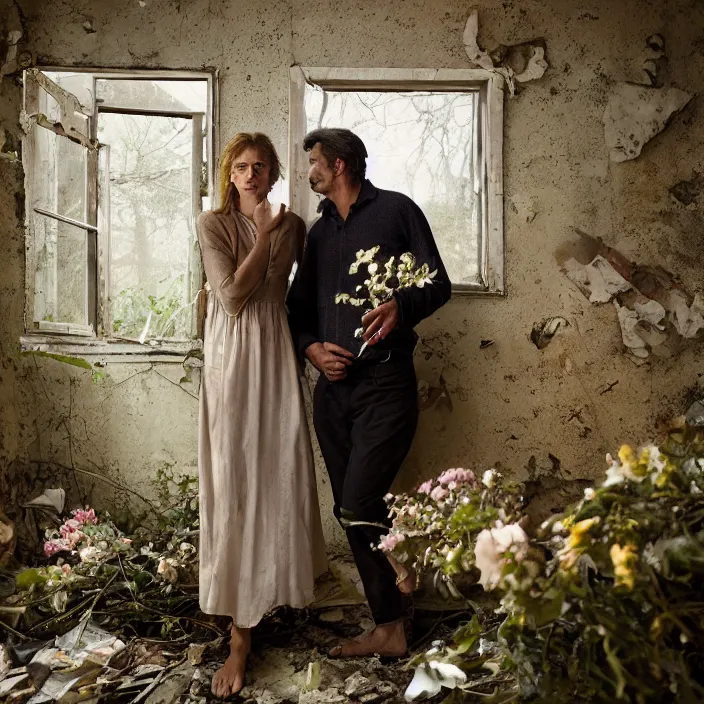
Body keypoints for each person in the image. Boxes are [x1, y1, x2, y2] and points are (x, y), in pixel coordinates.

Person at [287, 127, 451, 658]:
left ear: (337, 165)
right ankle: (390, 627)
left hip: (386, 383)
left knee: (359, 502)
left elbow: (437, 284)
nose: (309, 170)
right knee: (348, 507)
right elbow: (297, 311)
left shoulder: (399, 211)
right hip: (331, 393)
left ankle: (400, 573)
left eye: (314, 160)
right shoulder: (318, 234)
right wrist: (312, 348)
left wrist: (400, 306)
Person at [197, 132, 327, 697]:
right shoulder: (213, 224)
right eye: (241, 167)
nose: (250, 175)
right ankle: (239, 634)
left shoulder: (297, 226)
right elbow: (231, 296)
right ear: (230, 174)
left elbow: (303, 295)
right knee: (234, 475)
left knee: (278, 469)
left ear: (275, 173)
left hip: (275, 350)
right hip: (231, 354)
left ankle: (272, 589)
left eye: (261, 167)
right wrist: (264, 233)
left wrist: (317, 343)